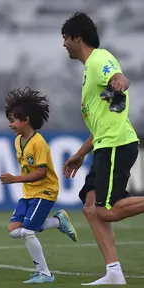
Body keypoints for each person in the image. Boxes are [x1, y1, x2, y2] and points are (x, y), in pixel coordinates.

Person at [62, 12, 141, 285]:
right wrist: (81, 153)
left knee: (106, 210)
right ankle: (114, 272)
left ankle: (114, 272)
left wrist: (119, 82)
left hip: (116, 144)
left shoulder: (99, 59)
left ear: (77, 37)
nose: (63, 44)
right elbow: (100, 122)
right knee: (89, 207)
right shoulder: (89, 69)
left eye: (65, 38)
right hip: (105, 144)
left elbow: (118, 77)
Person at [0, 87, 78, 284]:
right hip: (29, 193)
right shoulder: (18, 141)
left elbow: (41, 172)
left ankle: (45, 273)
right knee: (13, 230)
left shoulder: (39, 142)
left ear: (26, 119)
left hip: (45, 190)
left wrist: (14, 179)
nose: (11, 124)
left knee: (27, 232)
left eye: (13, 120)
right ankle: (57, 222)